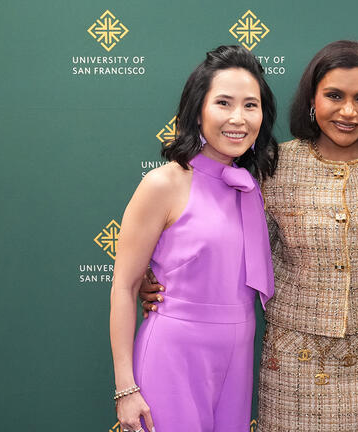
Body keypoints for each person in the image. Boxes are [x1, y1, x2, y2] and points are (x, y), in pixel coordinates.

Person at [140, 40, 358, 431]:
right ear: (311, 100)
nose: (348, 111)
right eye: (334, 96)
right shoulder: (274, 164)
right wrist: (157, 280)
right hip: (292, 361)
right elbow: (233, 244)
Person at [109, 45, 277, 432]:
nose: (238, 118)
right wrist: (125, 388)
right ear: (197, 110)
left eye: (251, 105)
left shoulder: (254, 186)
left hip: (238, 356)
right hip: (174, 354)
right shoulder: (164, 183)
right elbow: (124, 285)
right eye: (223, 103)